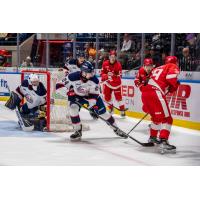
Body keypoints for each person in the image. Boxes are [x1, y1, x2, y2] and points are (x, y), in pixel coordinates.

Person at [59, 61, 127, 140]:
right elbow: (59, 85)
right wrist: (68, 91)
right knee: (73, 109)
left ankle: (116, 129)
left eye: (92, 72)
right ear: (84, 72)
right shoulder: (72, 76)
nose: (92, 74)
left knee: (104, 113)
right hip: (78, 96)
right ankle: (78, 131)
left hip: (91, 97)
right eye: (90, 73)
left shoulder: (94, 80)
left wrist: (93, 106)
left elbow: (93, 95)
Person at [141, 56, 180, 153]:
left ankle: (153, 138)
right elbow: (170, 78)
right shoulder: (172, 66)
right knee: (167, 119)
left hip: (145, 93)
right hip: (155, 93)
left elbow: (148, 80)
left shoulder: (158, 68)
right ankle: (163, 141)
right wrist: (174, 85)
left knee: (156, 118)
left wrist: (169, 86)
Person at [101, 50, 126, 117]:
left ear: (115, 57)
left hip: (116, 84)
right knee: (107, 97)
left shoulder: (118, 65)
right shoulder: (105, 63)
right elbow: (102, 73)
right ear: (109, 57)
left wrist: (114, 75)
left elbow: (120, 76)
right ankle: (111, 109)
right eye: (111, 56)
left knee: (118, 97)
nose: (112, 58)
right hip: (108, 83)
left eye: (114, 57)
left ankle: (122, 110)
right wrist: (106, 76)